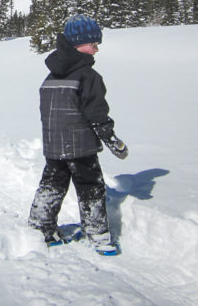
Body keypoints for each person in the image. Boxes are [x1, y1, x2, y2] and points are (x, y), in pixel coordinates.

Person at [28, 15, 128, 254]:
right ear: (77, 44)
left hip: (54, 146)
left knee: (52, 184)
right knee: (91, 188)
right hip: (81, 146)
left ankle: (40, 228)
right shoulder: (88, 76)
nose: (96, 48)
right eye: (93, 43)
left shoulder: (51, 75)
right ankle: (98, 235)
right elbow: (96, 112)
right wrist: (110, 138)